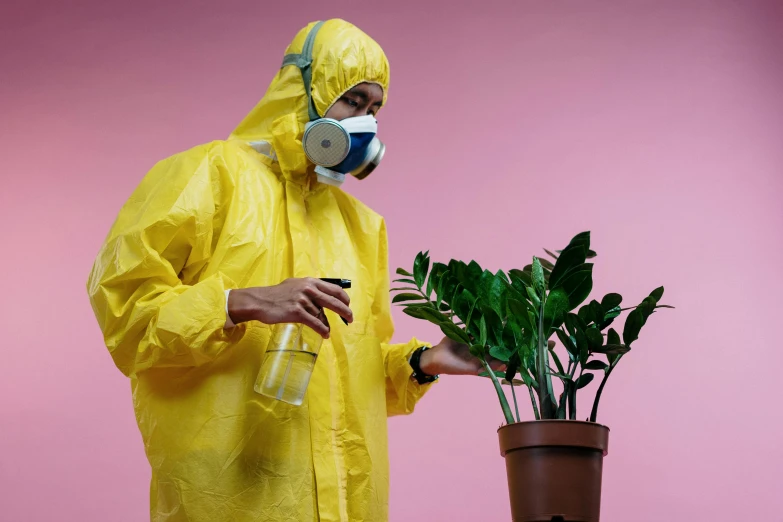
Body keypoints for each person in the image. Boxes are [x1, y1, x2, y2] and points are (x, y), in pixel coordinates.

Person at [87, 19, 500, 522]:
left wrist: (424, 362)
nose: (364, 122)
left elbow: (355, 379)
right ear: (302, 88)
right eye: (352, 101)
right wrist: (239, 303)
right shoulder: (206, 175)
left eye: (375, 109)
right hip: (227, 489)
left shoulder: (361, 226)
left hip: (345, 501)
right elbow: (126, 317)